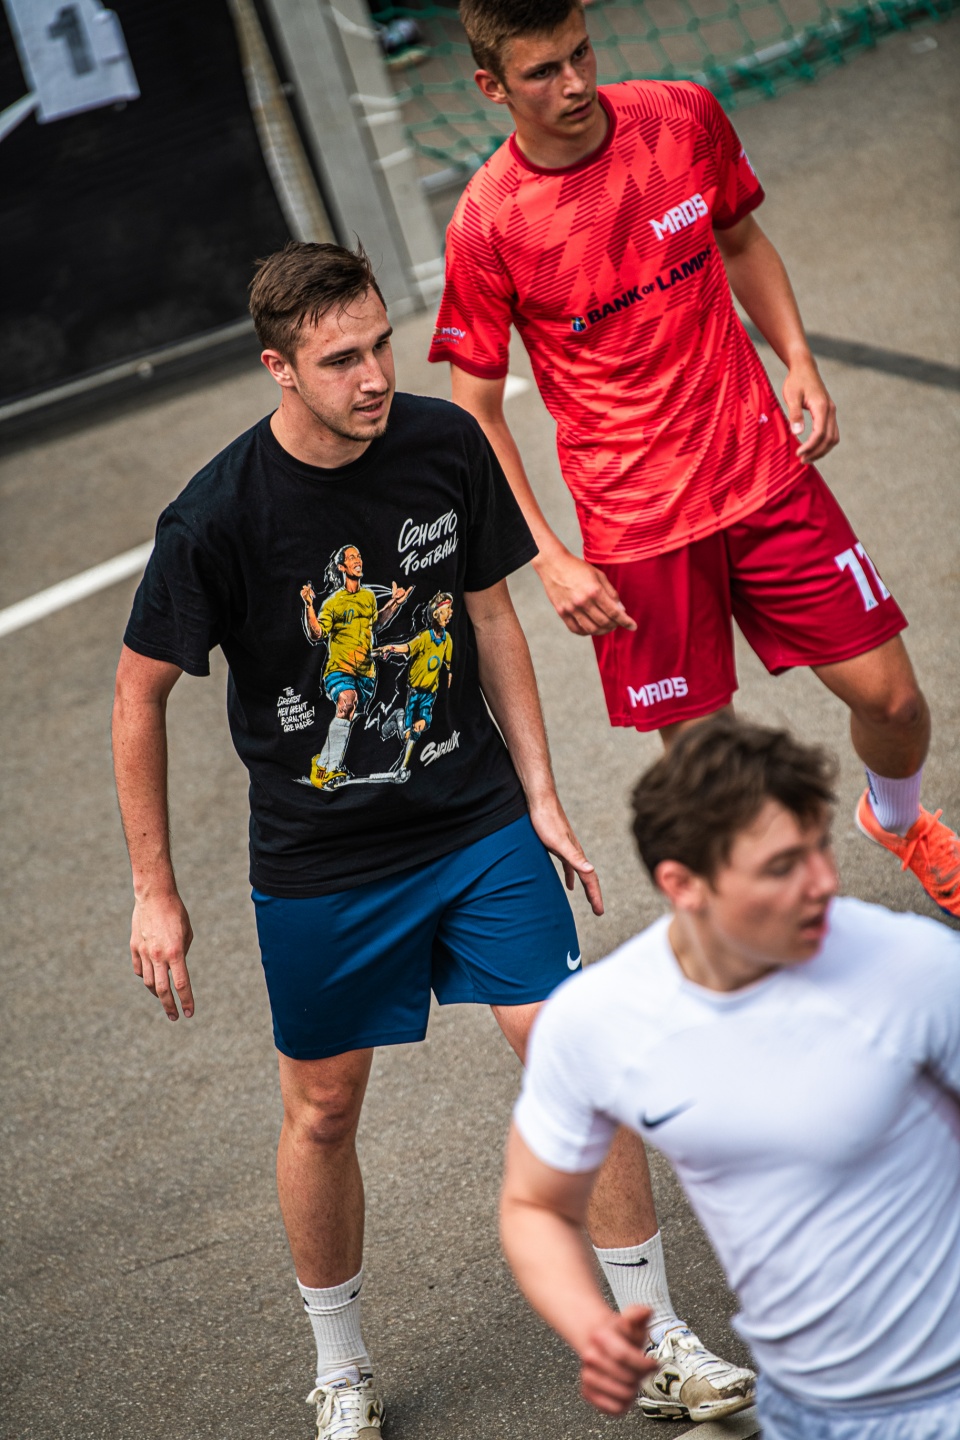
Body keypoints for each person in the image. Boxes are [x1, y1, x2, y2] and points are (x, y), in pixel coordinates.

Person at [111, 239, 752, 1440]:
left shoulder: (443, 444)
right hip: (322, 862)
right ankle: (341, 1369)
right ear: (278, 369)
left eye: (380, 347)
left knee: (574, 1053)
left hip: (473, 822)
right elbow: (137, 693)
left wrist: (540, 793)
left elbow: (491, 614)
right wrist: (156, 889)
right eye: (339, 361)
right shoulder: (215, 516)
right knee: (324, 1111)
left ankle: (656, 1335)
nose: (372, 378)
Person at [429, 0, 960, 918]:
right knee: (715, 780)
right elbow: (474, 412)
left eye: (581, 53)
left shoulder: (680, 115)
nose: (576, 83)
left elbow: (741, 238)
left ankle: (900, 820)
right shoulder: (488, 222)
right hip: (638, 531)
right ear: (491, 86)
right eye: (543, 71)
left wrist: (797, 357)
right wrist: (549, 557)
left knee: (895, 703)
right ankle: (771, 942)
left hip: (763, 473)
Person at [501, 716, 960, 1436]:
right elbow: (534, 1205)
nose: (824, 882)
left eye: (820, 847)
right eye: (782, 866)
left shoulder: (916, 968)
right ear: (683, 884)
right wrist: (590, 1326)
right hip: (803, 1410)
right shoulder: (600, 1022)